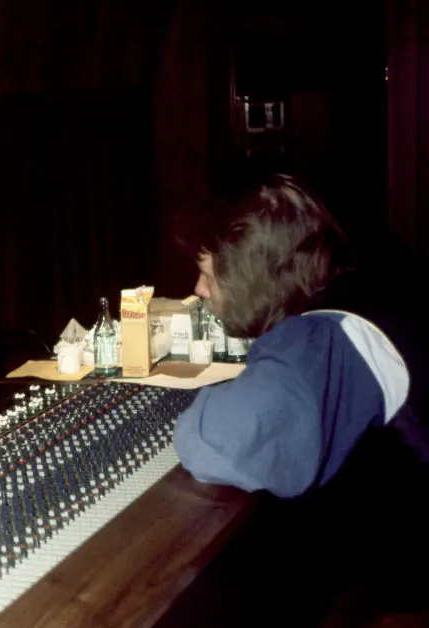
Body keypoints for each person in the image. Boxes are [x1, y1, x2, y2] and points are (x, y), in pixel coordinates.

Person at [173, 174, 417, 498]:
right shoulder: (348, 289)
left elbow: (211, 443)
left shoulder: (314, 344)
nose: (199, 289)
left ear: (249, 279)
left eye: (208, 275)